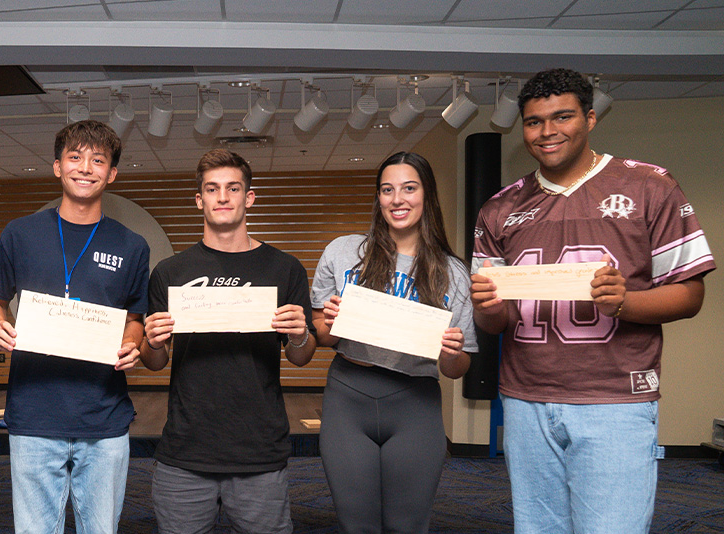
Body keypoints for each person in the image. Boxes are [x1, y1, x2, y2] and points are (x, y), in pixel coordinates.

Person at [470, 68, 714, 533]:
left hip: (614, 397)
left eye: (562, 117)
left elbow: (690, 294)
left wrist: (625, 302)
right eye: (534, 122)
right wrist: (487, 306)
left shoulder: (649, 186)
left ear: (590, 118)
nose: (547, 131)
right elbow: (495, 323)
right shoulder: (499, 208)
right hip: (525, 398)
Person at [0, 119, 149, 534]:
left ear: (112, 173)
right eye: (75, 157)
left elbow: (135, 319)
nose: (85, 168)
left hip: (104, 418)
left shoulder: (132, 245)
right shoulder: (21, 233)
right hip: (34, 415)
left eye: (98, 160)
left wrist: (132, 342)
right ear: (58, 166)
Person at [139, 149, 315, 534]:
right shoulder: (170, 272)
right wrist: (151, 341)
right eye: (212, 189)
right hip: (185, 449)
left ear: (248, 198)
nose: (222, 197)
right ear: (199, 200)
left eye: (233, 188)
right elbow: (155, 361)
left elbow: (301, 357)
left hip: (259, 450)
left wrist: (300, 334)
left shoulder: (284, 268)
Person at [310, 152, 476, 533]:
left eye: (409, 188)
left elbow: (457, 367)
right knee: (356, 524)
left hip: (415, 401)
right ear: (378, 198)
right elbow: (321, 334)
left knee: (408, 525)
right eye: (387, 190)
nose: (397, 199)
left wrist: (451, 352)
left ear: (427, 194)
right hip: (348, 396)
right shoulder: (343, 252)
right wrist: (331, 322)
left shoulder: (453, 272)